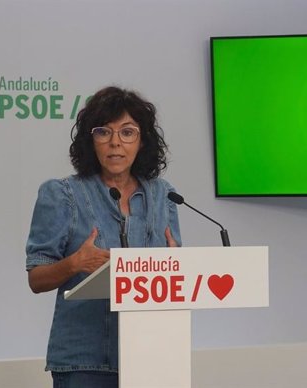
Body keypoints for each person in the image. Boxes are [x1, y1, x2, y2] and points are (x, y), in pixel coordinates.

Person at [25, 86, 182, 388]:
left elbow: (173, 273)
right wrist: (75, 263)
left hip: (151, 356)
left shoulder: (164, 195)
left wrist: (177, 266)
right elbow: (36, 279)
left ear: (142, 141)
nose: (115, 144)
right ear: (90, 140)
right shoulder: (61, 194)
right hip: (85, 361)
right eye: (103, 132)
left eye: (127, 132)